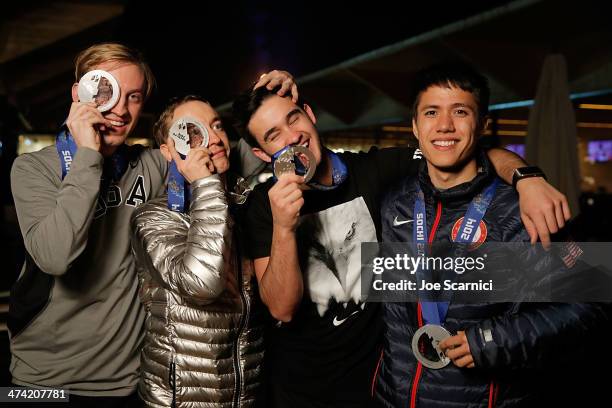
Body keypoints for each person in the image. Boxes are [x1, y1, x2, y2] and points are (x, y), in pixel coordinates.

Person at [231, 73, 571, 407]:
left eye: (294, 118)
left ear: (310, 114)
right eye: (274, 135)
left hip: (379, 384)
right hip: (302, 390)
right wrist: (285, 228)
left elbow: (461, 152)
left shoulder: (377, 170)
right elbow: (282, 309)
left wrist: (526, 178)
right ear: (263, 154)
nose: (294, 137)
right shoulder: (265, 205)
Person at [374, 63, 608, 407]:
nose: (444, 125)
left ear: (482, 124)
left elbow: (594, 303)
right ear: (415, 125)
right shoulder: (396, 202)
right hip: (393, 399)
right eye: (431, 112)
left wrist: (493, 339)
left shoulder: (521, 211)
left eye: (460, 111)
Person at [9, 43, 166, 405]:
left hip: (127, 383)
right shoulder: (32, 169)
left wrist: (274, 101)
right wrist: (89, 155)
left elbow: (233, 159)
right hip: (39, 382)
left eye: (135, 97)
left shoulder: (149, 166)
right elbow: (55, 257)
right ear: (80, 93)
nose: (122, 110)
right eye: (108, 91)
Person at [130, 95, 265, 407]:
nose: (213, 138)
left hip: (246, 394)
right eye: (192, 132)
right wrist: (205, 183)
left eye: (216, 126)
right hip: (181, 399)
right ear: (167, 151)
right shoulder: (153, 217)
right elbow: (201, 285)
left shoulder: (244, 206)